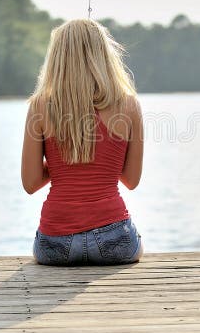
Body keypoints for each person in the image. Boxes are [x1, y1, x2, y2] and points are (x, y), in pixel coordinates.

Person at [21, 19, 144, 265]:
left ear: (57, 57)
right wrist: (101, 160)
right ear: (104, 55)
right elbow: (131, 180)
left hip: (55, 243)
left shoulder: (40, 106)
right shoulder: (129, 105)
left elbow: (31, 183)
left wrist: (63, 164)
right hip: (114, 239)